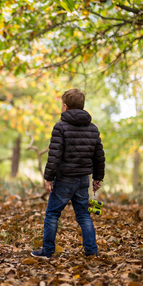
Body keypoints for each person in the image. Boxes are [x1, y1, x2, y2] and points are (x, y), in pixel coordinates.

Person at [31, 89, 105, 259]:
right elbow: (99, 156)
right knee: (84, 215)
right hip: (82, 181)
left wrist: (48, 177)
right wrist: (97, 178)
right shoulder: (93, 129)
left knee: (52, 215)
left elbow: (54, 154)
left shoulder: (60, 127)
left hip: (64, 179)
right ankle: (91, 252)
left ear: (65, 106)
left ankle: (48, 251)